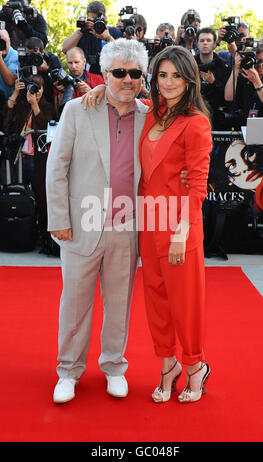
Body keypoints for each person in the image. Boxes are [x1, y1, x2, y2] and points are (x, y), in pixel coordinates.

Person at [83, 45, 213, 404]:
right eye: (162, 75)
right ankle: (167, 365)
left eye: (176, 75)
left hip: (178, 227)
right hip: (147, 223)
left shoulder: (196, 123)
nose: (168, 82)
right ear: (154, 79)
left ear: (190, 80)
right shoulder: (151, 113)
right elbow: (120, 93)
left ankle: (195, 367)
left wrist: (182, 231)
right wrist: (97, 87)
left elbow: (198, 183)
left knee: (185, 304)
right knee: (156, 301)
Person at [46, 38, 149, 403]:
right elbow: (56, 166)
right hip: (80, 223)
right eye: (118, 72)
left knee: (119, 303)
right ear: (104, 74)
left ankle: (114, 367)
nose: (127, 79)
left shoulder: (149, 116)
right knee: (75, 302)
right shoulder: (77, 109)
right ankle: (68, 371)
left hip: (127, 225)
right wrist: (58, 217)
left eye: (134, 73)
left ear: (142, 77)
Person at [4, 74, 55, 237]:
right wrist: (15, 94)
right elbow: (5, 121)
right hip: (19, 156)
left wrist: (35, 105)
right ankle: (19, 228)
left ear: (43, 89)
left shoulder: (47, 107)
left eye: (39, 87)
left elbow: (45, 128)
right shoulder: (21, 106)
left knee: (41, 194)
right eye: (33, 87)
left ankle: (40, 230)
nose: (36, 91)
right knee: (17, 192)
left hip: (38, 158)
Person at [62, 0, 122, 75]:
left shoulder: (114, 32)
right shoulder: (83, 33)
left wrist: (108, 38)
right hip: (88, 80)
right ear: (88, 18)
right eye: (93, 20)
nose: (96, 23)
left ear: (105, 18)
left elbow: (123, 56)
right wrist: (81, 30)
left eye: (99, 19)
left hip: (111, 77)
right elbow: (65, 49)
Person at [224, 43, 263, 129]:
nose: (259, 65)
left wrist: (257, 81)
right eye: (256, 61)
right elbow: (228, 97)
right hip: (243, 130)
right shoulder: (244, 76)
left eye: (262, 61)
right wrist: (236, 69)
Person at [194, 27, 231, 129]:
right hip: (193, 112)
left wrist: (214, 83)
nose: (205, 43)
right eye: (202, 40)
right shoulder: (189, 64)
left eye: (208, 40)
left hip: (218, 117)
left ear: (215, 44)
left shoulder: (223, 65)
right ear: (197, 43)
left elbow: (228, 97)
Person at [55, 46, 104, 111]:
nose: (73, 66)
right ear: (66, 63)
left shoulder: (97, 79)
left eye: (76, 62)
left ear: (84, 62)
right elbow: (57, 113)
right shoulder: (61, 82)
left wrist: (90, 91)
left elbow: (104, 106)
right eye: (70, 63)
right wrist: (60, 94)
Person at [0, 28, 19, 100]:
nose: (3, 45)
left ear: (10, 41)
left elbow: (10, 82)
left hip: (8, 101)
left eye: (5, 42)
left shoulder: (15, 56)